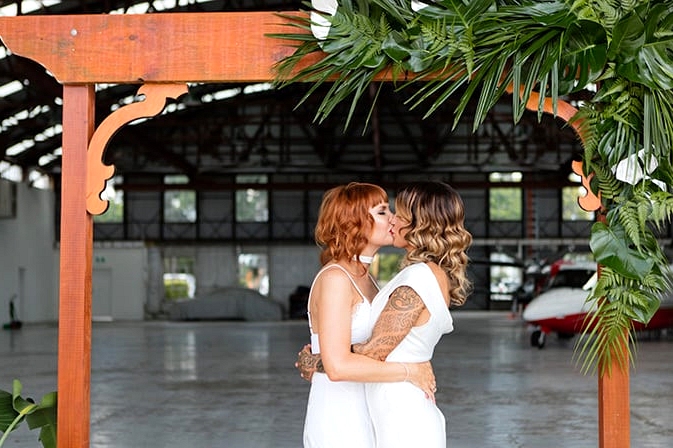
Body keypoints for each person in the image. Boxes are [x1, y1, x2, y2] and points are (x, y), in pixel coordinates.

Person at [298, 181, 472, 448]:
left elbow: (357, 356)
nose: (392, 218)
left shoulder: (377, 281)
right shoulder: (337, 278)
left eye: (394, 212)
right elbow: (340, 365)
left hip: (374, 410)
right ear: (353, 222)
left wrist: (316, 363)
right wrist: (409, 371)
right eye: (382, 212)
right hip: (341, 413)